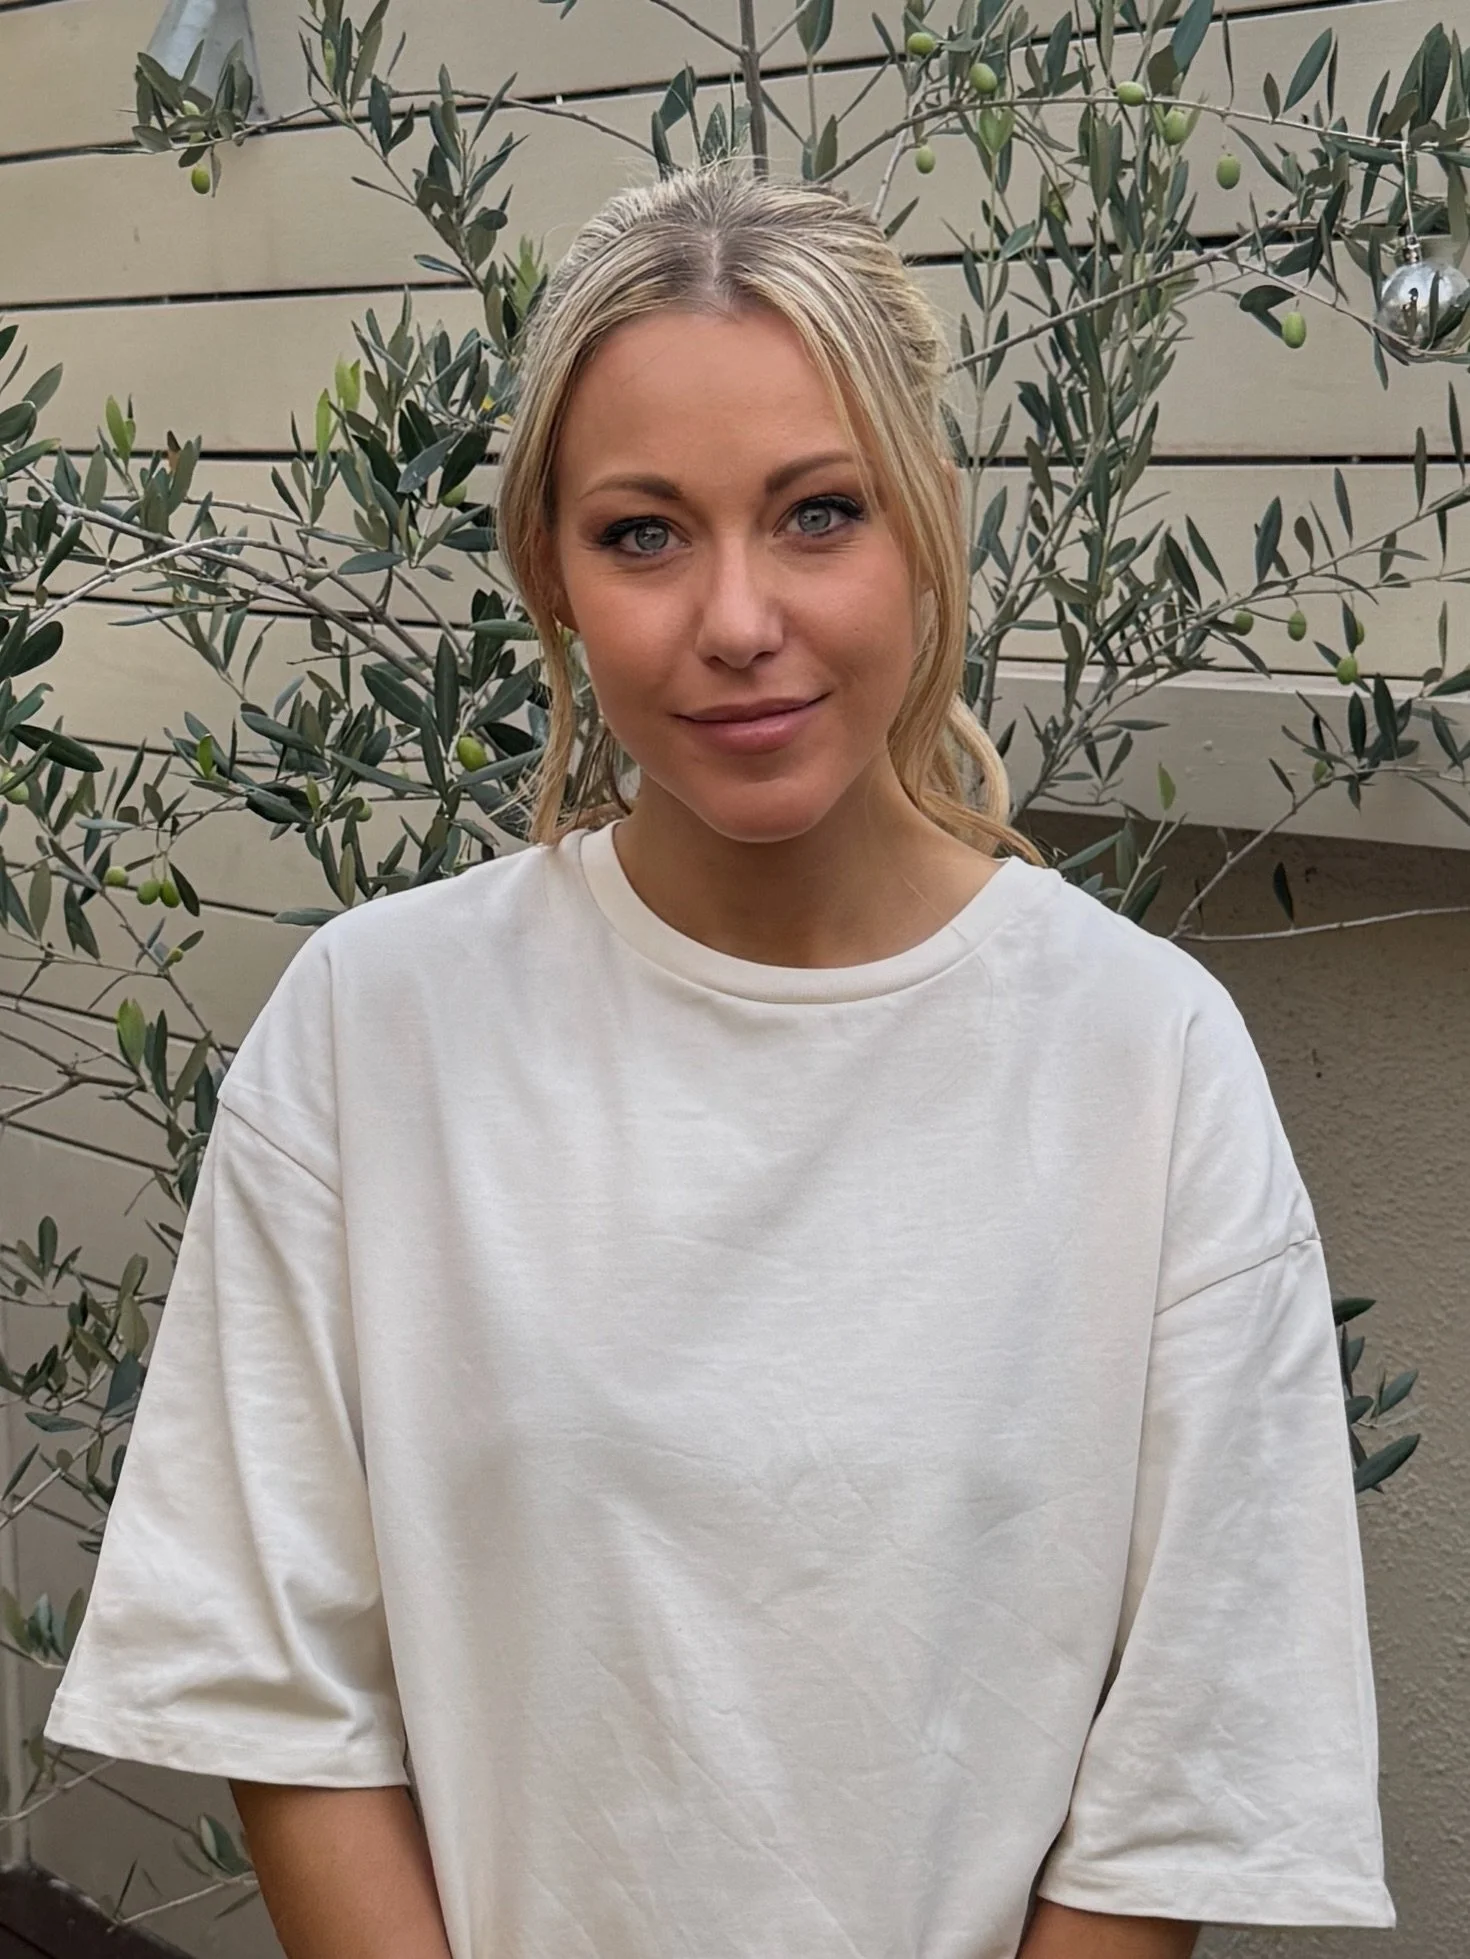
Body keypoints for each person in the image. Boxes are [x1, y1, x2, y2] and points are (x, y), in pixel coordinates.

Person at [43, 163, 1394, 1959]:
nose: (738, 619)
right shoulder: (380, 1026)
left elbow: (1188, 1763)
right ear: (549, 569)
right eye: (644, 533)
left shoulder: (1144, 1060)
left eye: (817, 513)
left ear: (925, 525)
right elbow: (281, 1679)